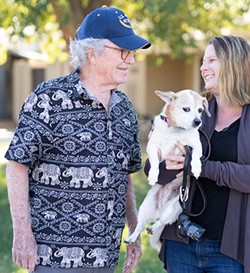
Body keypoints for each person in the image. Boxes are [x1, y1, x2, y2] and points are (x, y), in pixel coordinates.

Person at [5, 6, 151, 273]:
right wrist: (22, 234)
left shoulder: (124, 108)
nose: (130, 60)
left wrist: (134, 231)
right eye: (122, 51)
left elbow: (125, 175)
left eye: (131, 53)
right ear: (92, 53)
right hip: (54, 259)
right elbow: (17, 164)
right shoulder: (48, 98)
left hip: (107, 259)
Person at [148, 35, 250, 273]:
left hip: (230, 250)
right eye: (203, 61)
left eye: (211, 60)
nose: (203, 68)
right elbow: (155, 173)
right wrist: (163, 160)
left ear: (236, 64)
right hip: (181, 242)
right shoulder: (193, 113)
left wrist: (201, 166)